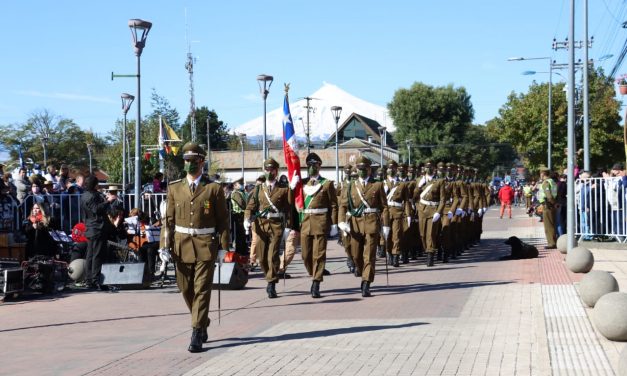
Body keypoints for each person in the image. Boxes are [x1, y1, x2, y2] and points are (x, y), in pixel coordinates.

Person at [159, 142, 229, 352]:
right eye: (186, 160)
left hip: (206, 245)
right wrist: (164, 245)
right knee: (185, 289)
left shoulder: (213, 188)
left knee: (202, 289)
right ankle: (202, 320)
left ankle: (196, 332)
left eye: (194, 161)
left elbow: (223, 221)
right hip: (181, 245)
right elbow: (168, 221)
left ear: (202, 162)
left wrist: (224, 246)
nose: (189, 164)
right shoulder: (174, 188)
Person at [338, 156, 389, 297]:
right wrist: (341, 221)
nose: (361, 171)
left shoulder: (377, 185)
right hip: (355, 224)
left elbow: (384, 207)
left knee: (370, 255)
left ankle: (367, 282)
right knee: (356, 255)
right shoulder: (350, 186)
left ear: (369, 169)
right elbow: (342, 205)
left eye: (364, 169)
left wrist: (386, 225)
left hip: (372, 222)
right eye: (359, 169)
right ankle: (362, 273)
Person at [244, 158, 293, 299]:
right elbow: (250, 207)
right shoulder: (258, 189)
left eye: (271, 170)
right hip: (260, 225)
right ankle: (269, 275)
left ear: (276, 171)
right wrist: (247, 219)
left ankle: (271, 283)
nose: (269, 172)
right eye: (267, 170)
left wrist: (292, 189)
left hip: (276, 225)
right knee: (261, 257)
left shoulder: (283, 189)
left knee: (272, 255)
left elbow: (289, 208)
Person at [299, 153, 338, 298]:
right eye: (309, 165)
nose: (311, 168)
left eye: (314, 165)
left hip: (321, 223)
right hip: (305, 223)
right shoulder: (302, 184)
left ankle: (316, 282)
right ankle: (314, 272)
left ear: (319, 166)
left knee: (319, 255)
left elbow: (334, 205)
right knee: (305, 255)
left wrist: (334, 224)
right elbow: (294, 202)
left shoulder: (327, 184)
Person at [80, 175, 117, 290]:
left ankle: (89, 279)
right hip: (97, 227)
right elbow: (97, 209)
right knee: (97, 255)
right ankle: (95, 279)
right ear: (94, 184)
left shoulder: (84, 195)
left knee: (90, 255)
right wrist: (108, 201)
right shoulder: (92, 196)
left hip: (90, 227)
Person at [415, 161, 445, 267]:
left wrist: (438, 212)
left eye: (431, 167)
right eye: (427, 167)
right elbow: (414, 197)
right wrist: (419, 186)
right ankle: (427, 249)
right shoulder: (419, 180)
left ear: (434, 168)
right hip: (422, 210)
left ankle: (430, 254)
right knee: (422, 234)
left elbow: (442, 199)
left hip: (433, 209)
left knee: (431, 234)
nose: (429, 169)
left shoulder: (439, 181)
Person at [538, 168, 557, 248]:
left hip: (547, 205)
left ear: (543, 174)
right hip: (551, 205)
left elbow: (549, 196)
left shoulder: (546, 183)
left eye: (540, 173)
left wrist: (552, 203)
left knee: (548, 226)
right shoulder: (552, 181)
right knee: (552, 224)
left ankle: (551, 243)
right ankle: (553, 242)